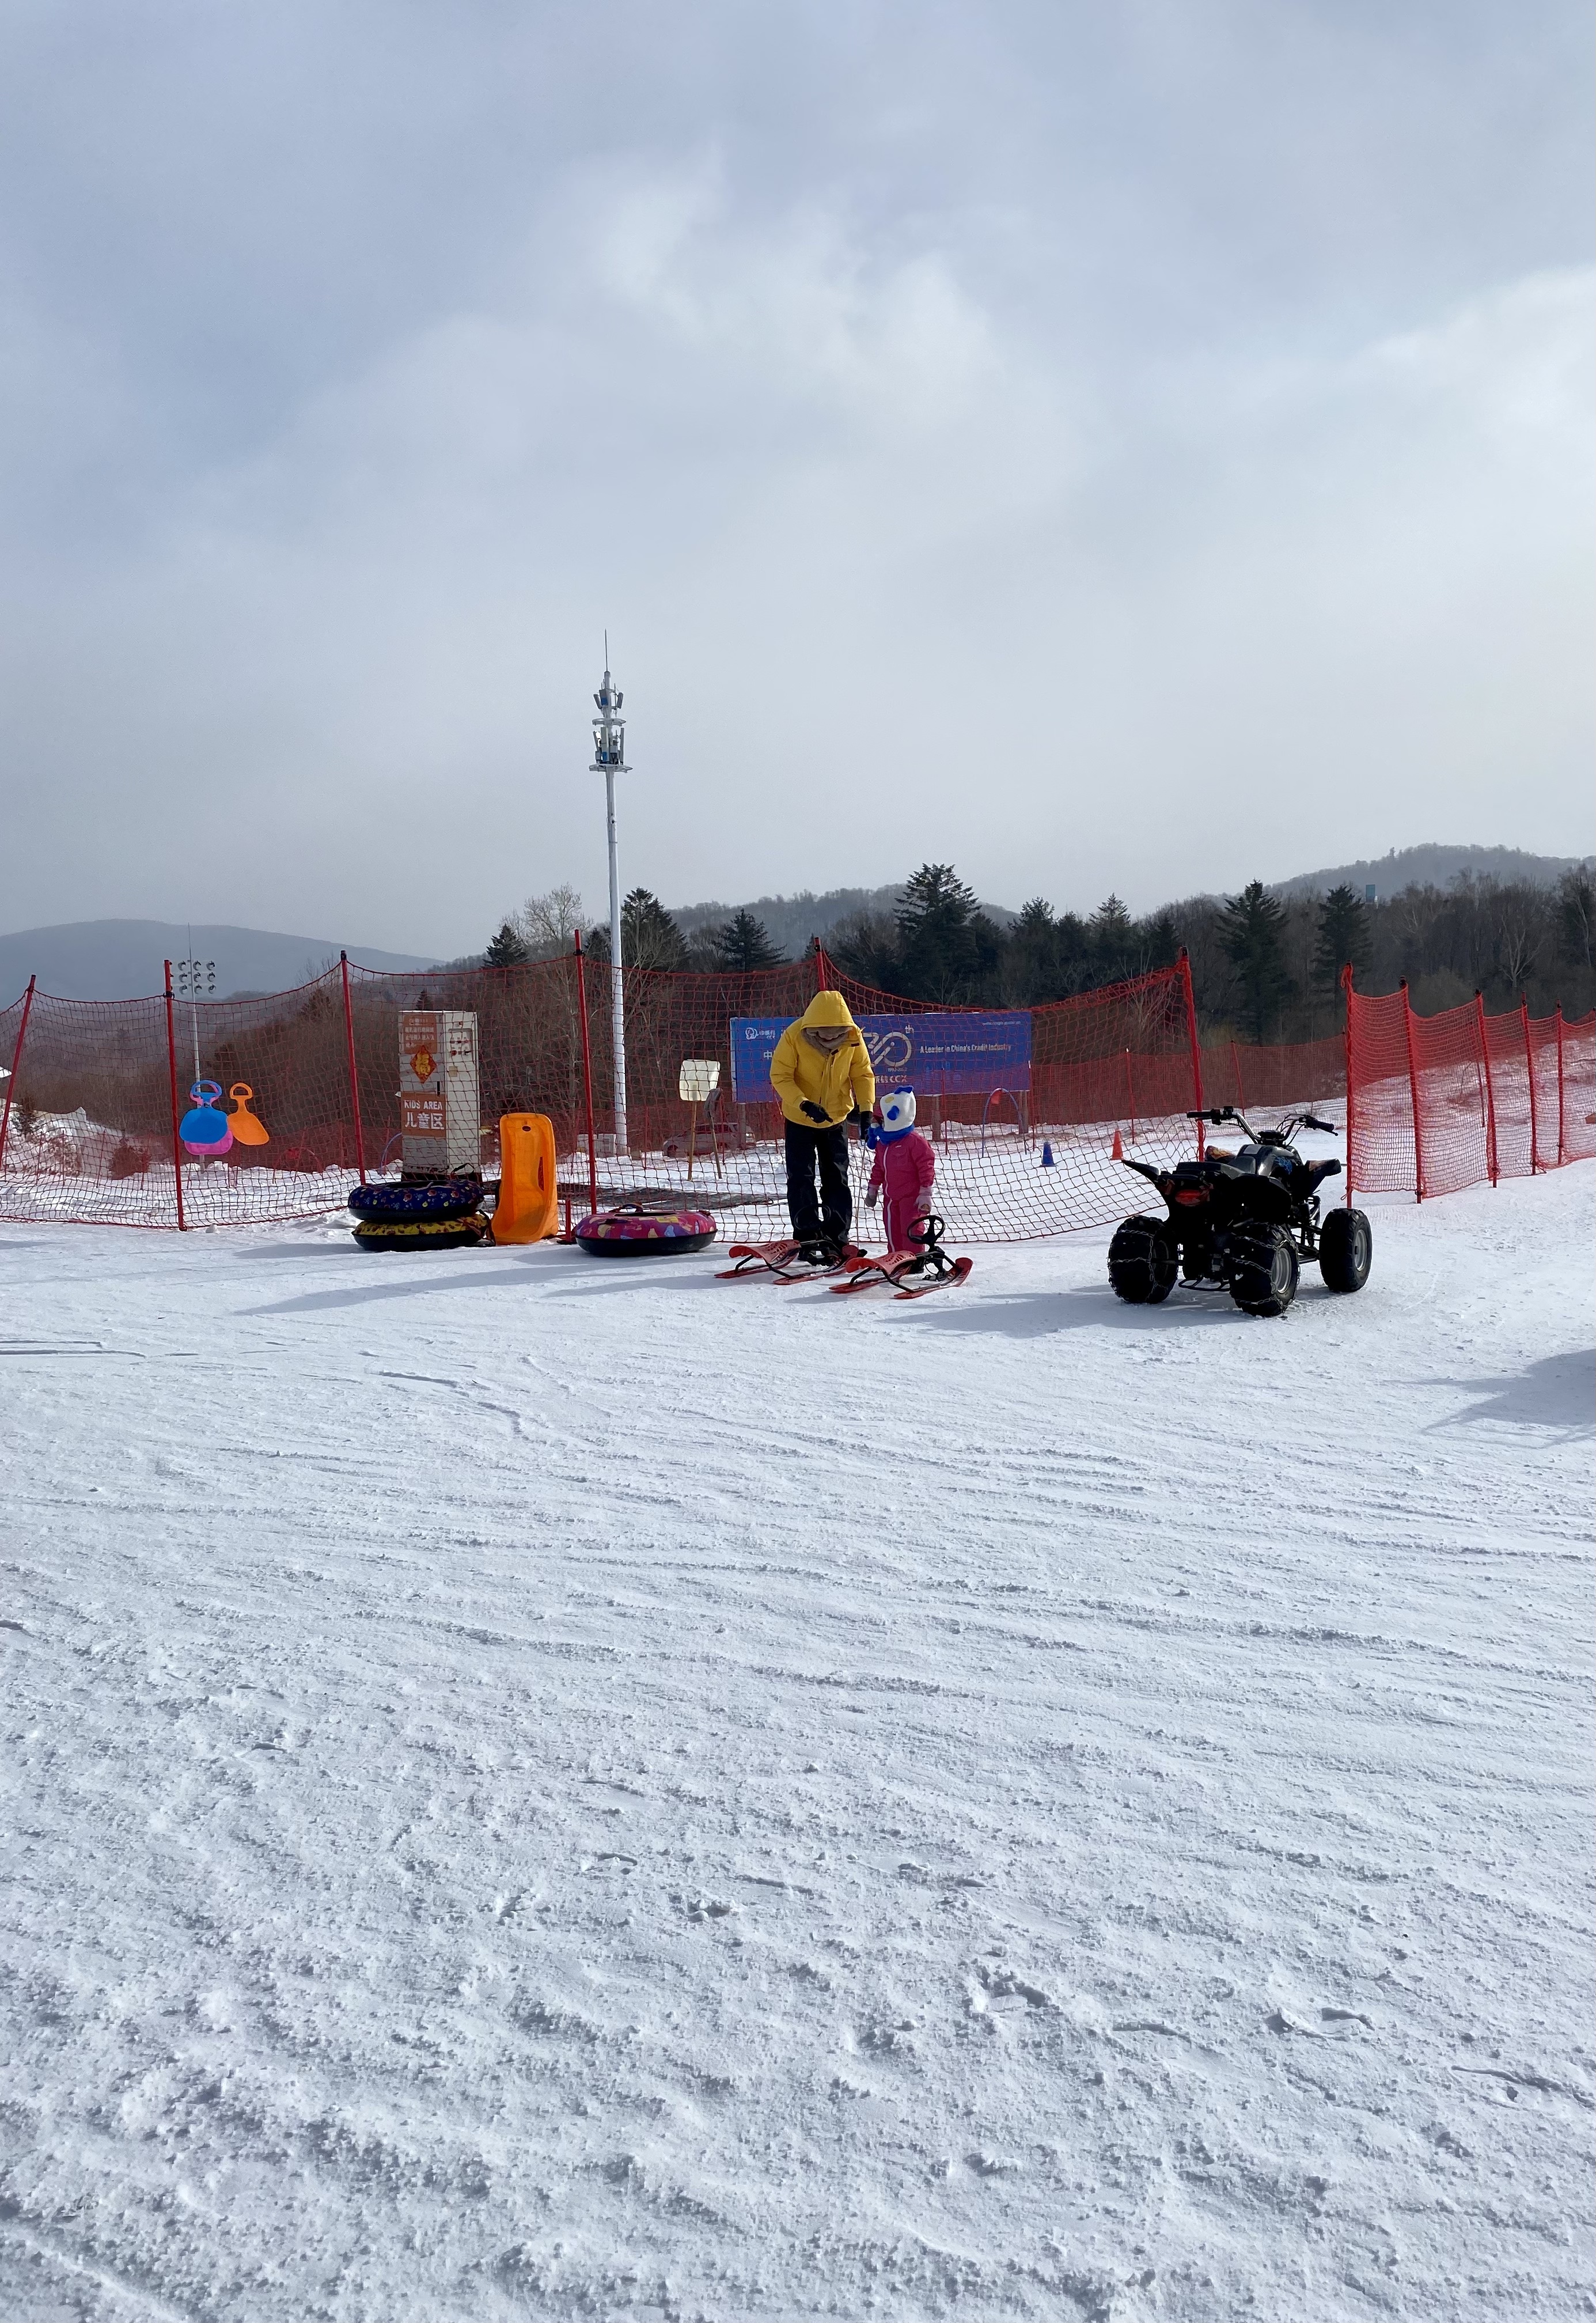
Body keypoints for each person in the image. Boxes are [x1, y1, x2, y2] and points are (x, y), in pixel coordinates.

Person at [769, 990, 876, 1255]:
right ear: (812, 1027)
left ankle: (837, 1237)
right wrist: (803, 1103)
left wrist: (866, 1109)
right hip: (800, 1119)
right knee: (800, 1178)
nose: (829, 1039)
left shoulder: (854, 1039)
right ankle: (807, 1235)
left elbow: (862, 1073)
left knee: (837, 1177)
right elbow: (780, 1075)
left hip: (836, 1119)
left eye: (835, 1035)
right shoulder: (794, 1036)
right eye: (822, 1034)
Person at [866, 1088, 935, 1252]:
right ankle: (896, 1257)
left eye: (882, 1121)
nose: (879, 1125)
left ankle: (915, 1258)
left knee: (911, 1228)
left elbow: (926, 1167)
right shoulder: (883, 1144)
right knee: (892, 1228)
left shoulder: (915, 1142)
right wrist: (873, 1188)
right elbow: (879, 1168)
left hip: (911, 1198)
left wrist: (925, 1192)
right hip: (890, 1198)